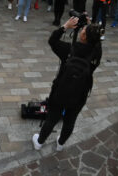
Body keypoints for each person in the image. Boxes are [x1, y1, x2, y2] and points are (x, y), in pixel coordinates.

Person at [32, 17, 102, 151]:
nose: (82, 30)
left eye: (83, 30)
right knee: (70, 120)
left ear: (83, 36)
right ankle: (60, 144)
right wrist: (92, 28)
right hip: (80, 93)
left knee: (52, 118)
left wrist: (65, 26)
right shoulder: (96, 54)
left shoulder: (69, 49)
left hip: (61, 91)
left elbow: (52, 41)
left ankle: (39, 142)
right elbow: (97, 43)